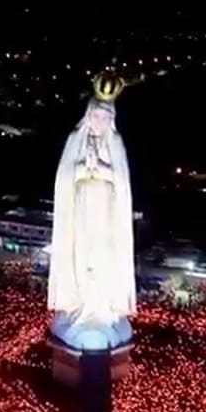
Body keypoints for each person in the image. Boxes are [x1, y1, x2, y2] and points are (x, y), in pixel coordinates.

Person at [48, 73, 136, 331]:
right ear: (88, 116)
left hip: (105, 212)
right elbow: (64, 176)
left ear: (111, 120)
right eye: (96, 116)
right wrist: (82, 170)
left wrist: (100, 170)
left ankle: (102, 306)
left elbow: (121, 181)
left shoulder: (115, 142)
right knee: (80, 254)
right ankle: (79, 302)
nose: (99, 122)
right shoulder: (76, 139)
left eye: (105, 118)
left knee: (102, 257)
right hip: (80, 210)